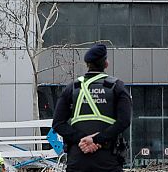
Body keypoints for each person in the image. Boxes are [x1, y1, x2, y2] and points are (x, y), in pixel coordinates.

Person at [53, 44, 132, 172]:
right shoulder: (117, 87)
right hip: (108, 162)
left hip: (77, 161)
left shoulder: (71, 88)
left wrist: (83, 139)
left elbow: (57, 124)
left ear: (87, 64)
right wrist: (96, 140)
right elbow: (124, 121)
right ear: (106, 63)